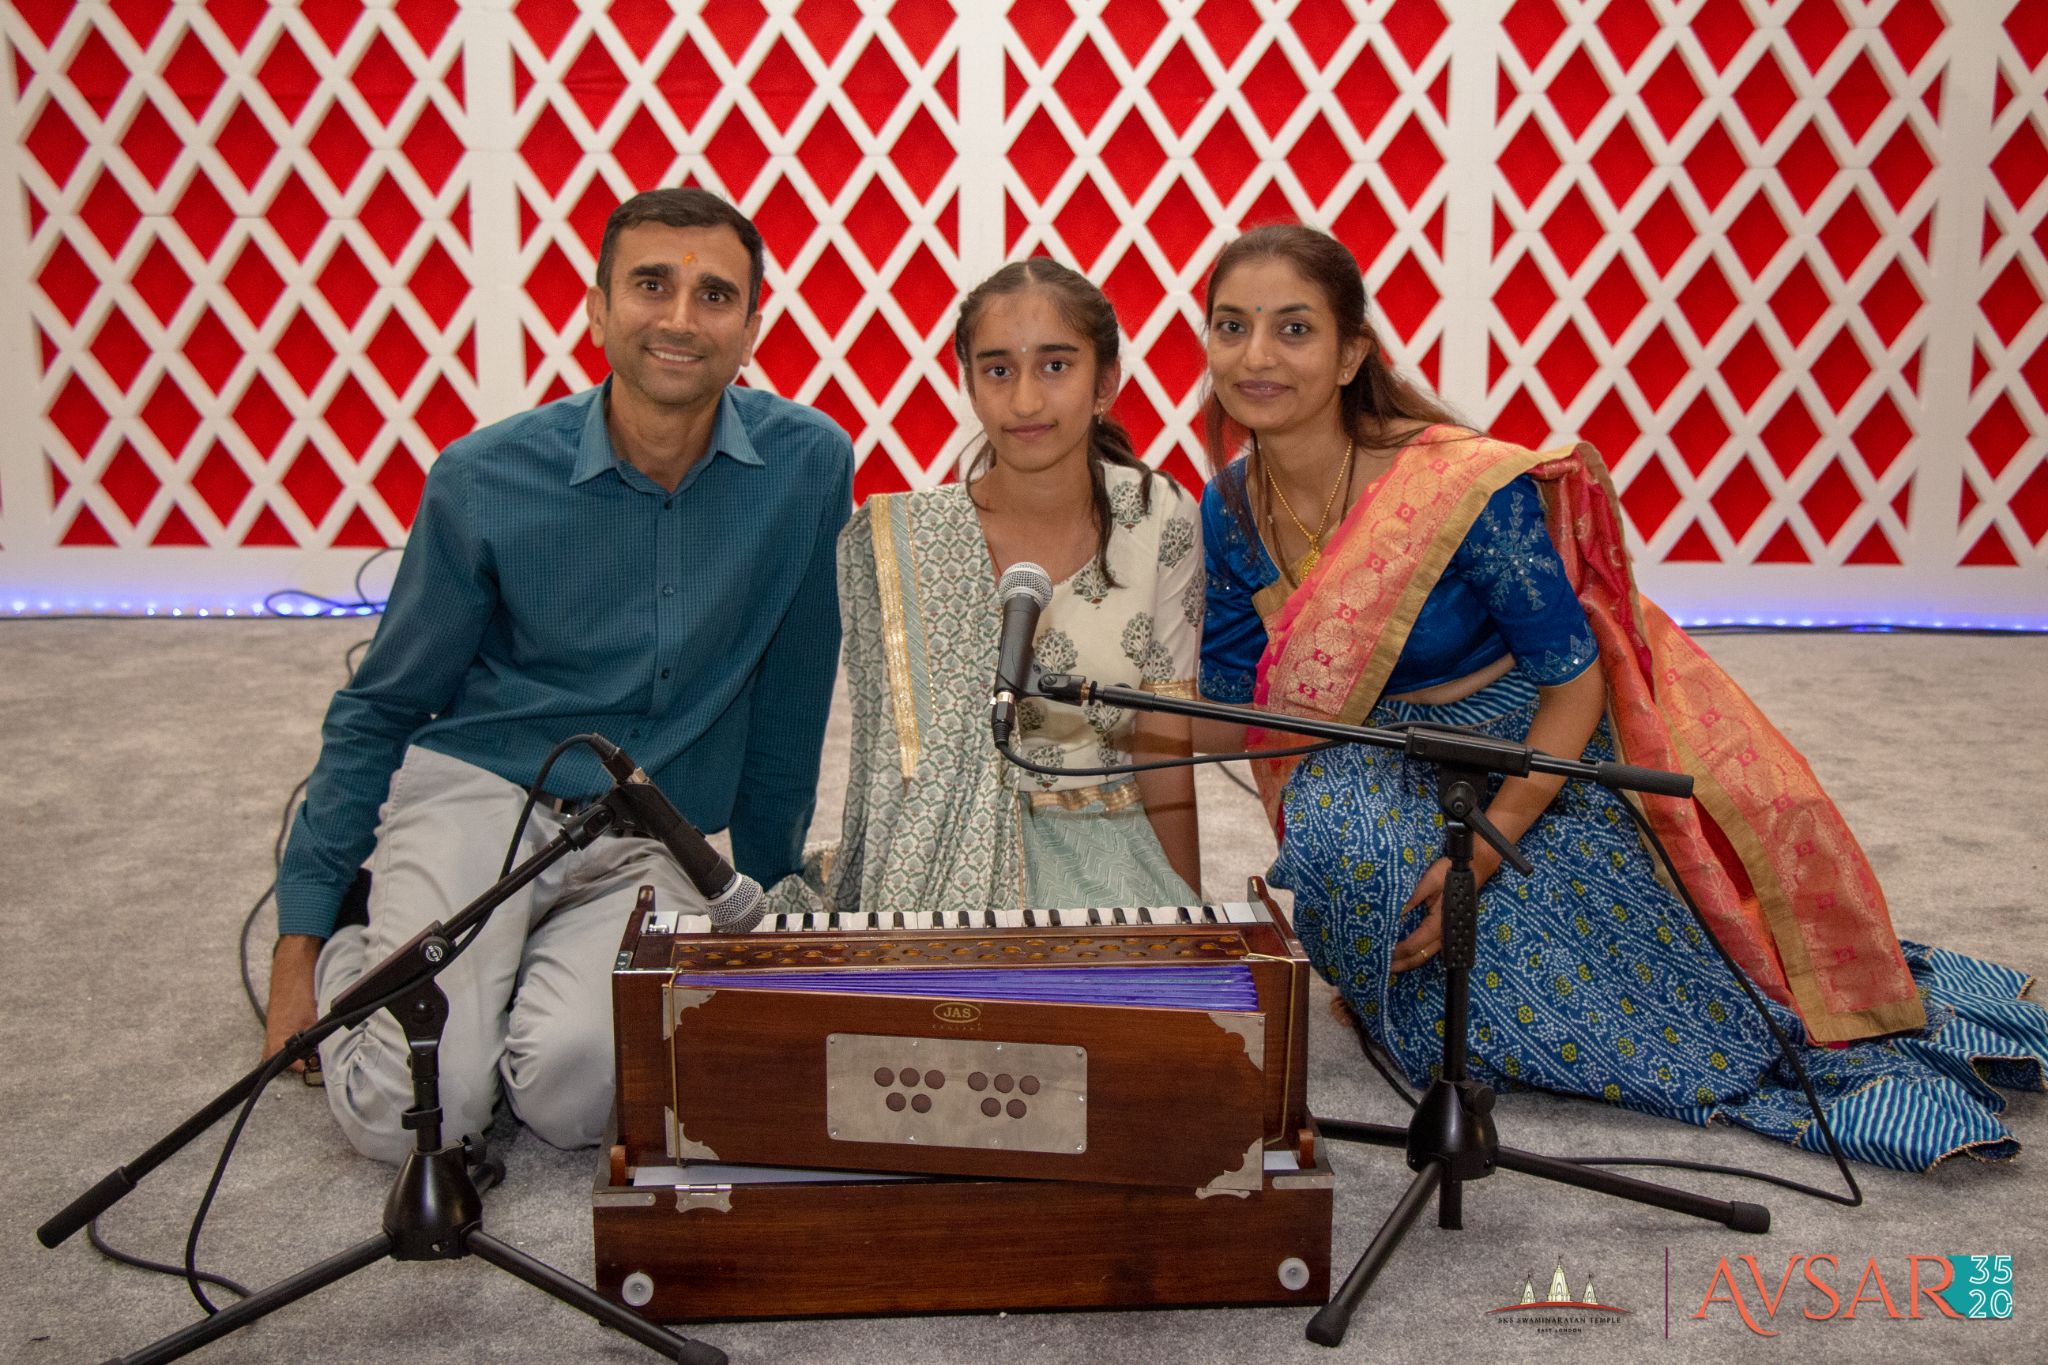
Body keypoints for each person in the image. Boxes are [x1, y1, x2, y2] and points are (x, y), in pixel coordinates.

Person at [1196, 224, 2047, 1172]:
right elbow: (1244, 705)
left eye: (1293, 329)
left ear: (1354, 351)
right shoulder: (1230, 505)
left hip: (1527, 743)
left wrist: (1489, 841)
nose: (1256, 356)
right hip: (1378, 749)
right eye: (1231, 326)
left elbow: (1572, 680)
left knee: (1617, 959)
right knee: (1348, 862)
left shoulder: (1457, 486)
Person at [264, 188, 854, 1164]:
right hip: (482, 797)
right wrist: (297, 939)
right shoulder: (484, 477)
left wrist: (759, 905)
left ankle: (503, 971)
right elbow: (382, 706)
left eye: (713, 295)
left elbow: (791, 702)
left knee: (577, 1102)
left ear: (752, 326)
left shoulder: (806, 466)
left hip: (644, 830)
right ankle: (355, 951)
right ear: (594, 306)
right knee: (413, 1117)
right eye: (650, 285)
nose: (678, 317)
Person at [804, 258, 1202, 916]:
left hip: (1104, 843)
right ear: (970, 384)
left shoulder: (1160, 517)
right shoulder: (912, 538)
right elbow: (884, 777)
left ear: (1106, 383)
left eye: (1055, 366)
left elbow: (1165, 743)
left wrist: (1190, 915)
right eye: (998, 370)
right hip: (938, 854)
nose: (1024, 400)